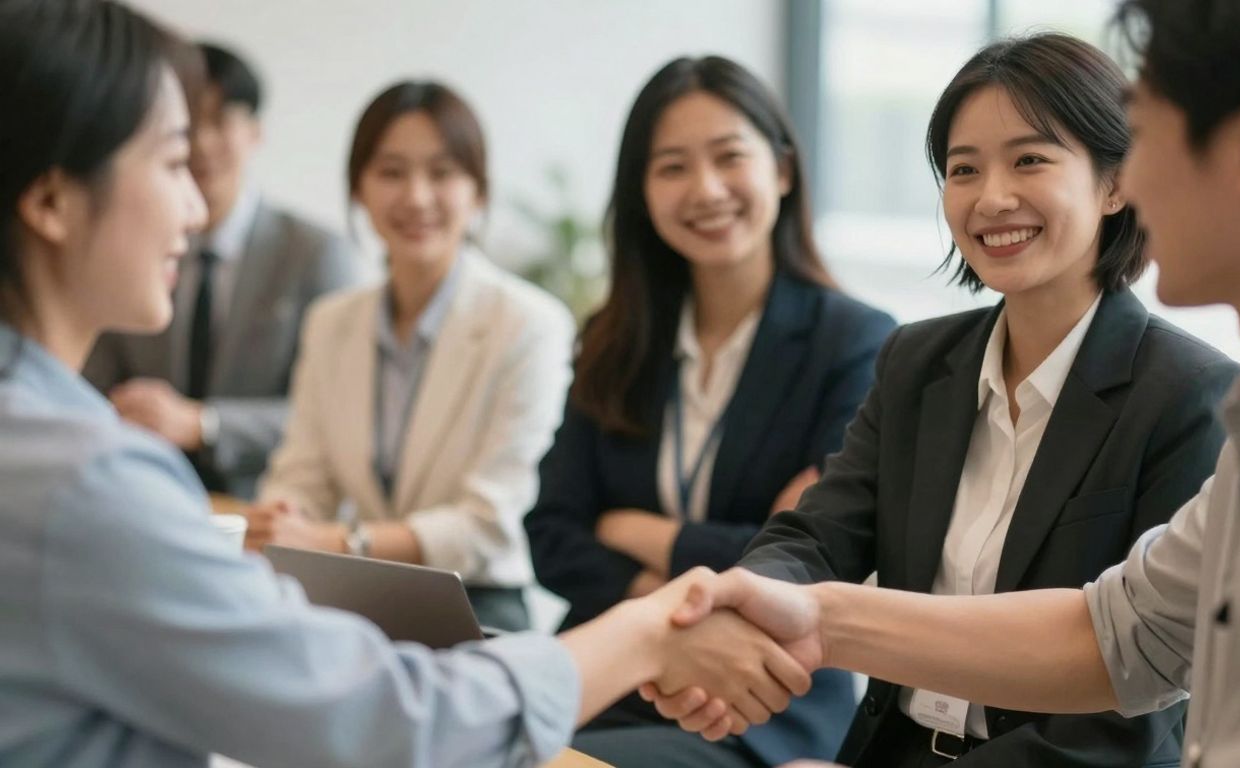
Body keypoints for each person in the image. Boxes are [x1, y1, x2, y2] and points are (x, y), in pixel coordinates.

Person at [0, 2, 813, 766]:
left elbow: (512, 526)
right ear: (50, 200)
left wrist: (637, 561)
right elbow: (402, 713)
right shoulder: (84, 480)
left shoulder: (531, 322)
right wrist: (643, 628)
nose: (195, 205)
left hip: (465, 629)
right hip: (390, 653)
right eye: (176, 161)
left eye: (442, 173)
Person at [649, 1, 1240, 766]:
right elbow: (1119, 633)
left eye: (1145, 135)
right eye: (963, 168)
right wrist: (800, 612)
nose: (991, 197)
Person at [523, 55, 895, 768]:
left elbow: (800, 560)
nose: (706, 189)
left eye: (729, 157)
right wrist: (666, 620)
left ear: (782, 171)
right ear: (642, 192)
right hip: (606, 681)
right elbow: (551, 532)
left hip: (758, 705)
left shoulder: (853, 343)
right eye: (671, 167)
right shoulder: (615, 339)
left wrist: (631, 528)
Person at [243, 80, 574, 632]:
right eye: (391, 172)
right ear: (359, 189)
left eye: (442, 173)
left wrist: (339, 542)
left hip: (477, 601)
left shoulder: (529, 325)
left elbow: (489, 523)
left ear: (479, 192)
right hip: (356, 593)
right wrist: (284, 519)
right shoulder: (331, 323)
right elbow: (302, 473)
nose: (417, 197)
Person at [83, 40, 358, 499]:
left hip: (270, 504)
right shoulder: (128, 246)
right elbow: (93, 378)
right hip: (140, 493)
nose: (203, 143)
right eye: (188, 124)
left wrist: (203, 423)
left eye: (220, 120)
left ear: (255, 131)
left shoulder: (318, 254)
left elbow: (339, 418)